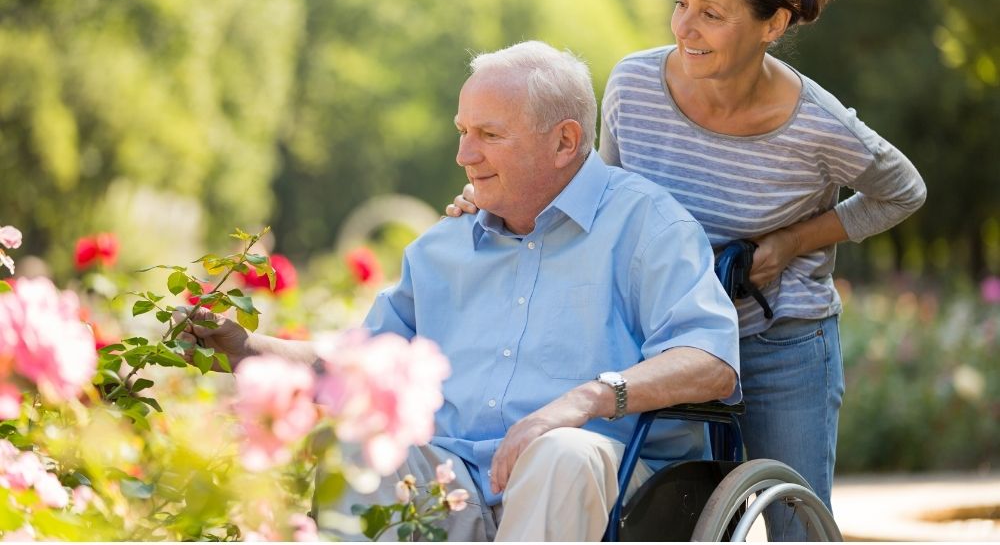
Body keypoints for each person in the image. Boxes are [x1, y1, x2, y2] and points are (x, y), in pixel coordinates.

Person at [446, 0, 927, 540]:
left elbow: (903, 192)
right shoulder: (634, 85)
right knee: (642, 504)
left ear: (773, 24)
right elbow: (600, 196)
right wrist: (496, 194)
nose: (684, 28)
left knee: (793, 525)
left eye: (712, 14)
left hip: (775, 332)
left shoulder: (818, 125)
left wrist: (792, 241)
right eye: (681, 3)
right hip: (659, 332)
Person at [184, 40, 741, 541]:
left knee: (561, 452)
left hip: (610, 492)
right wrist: (248, 349)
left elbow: (712, 361)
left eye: (489, 135)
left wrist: (582, 401)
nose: (464, 155)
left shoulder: (648, 226)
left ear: (564, 141)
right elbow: (359, 365)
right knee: (355, 446)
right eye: (463, 132)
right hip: (457, 485)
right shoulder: (441, 248)